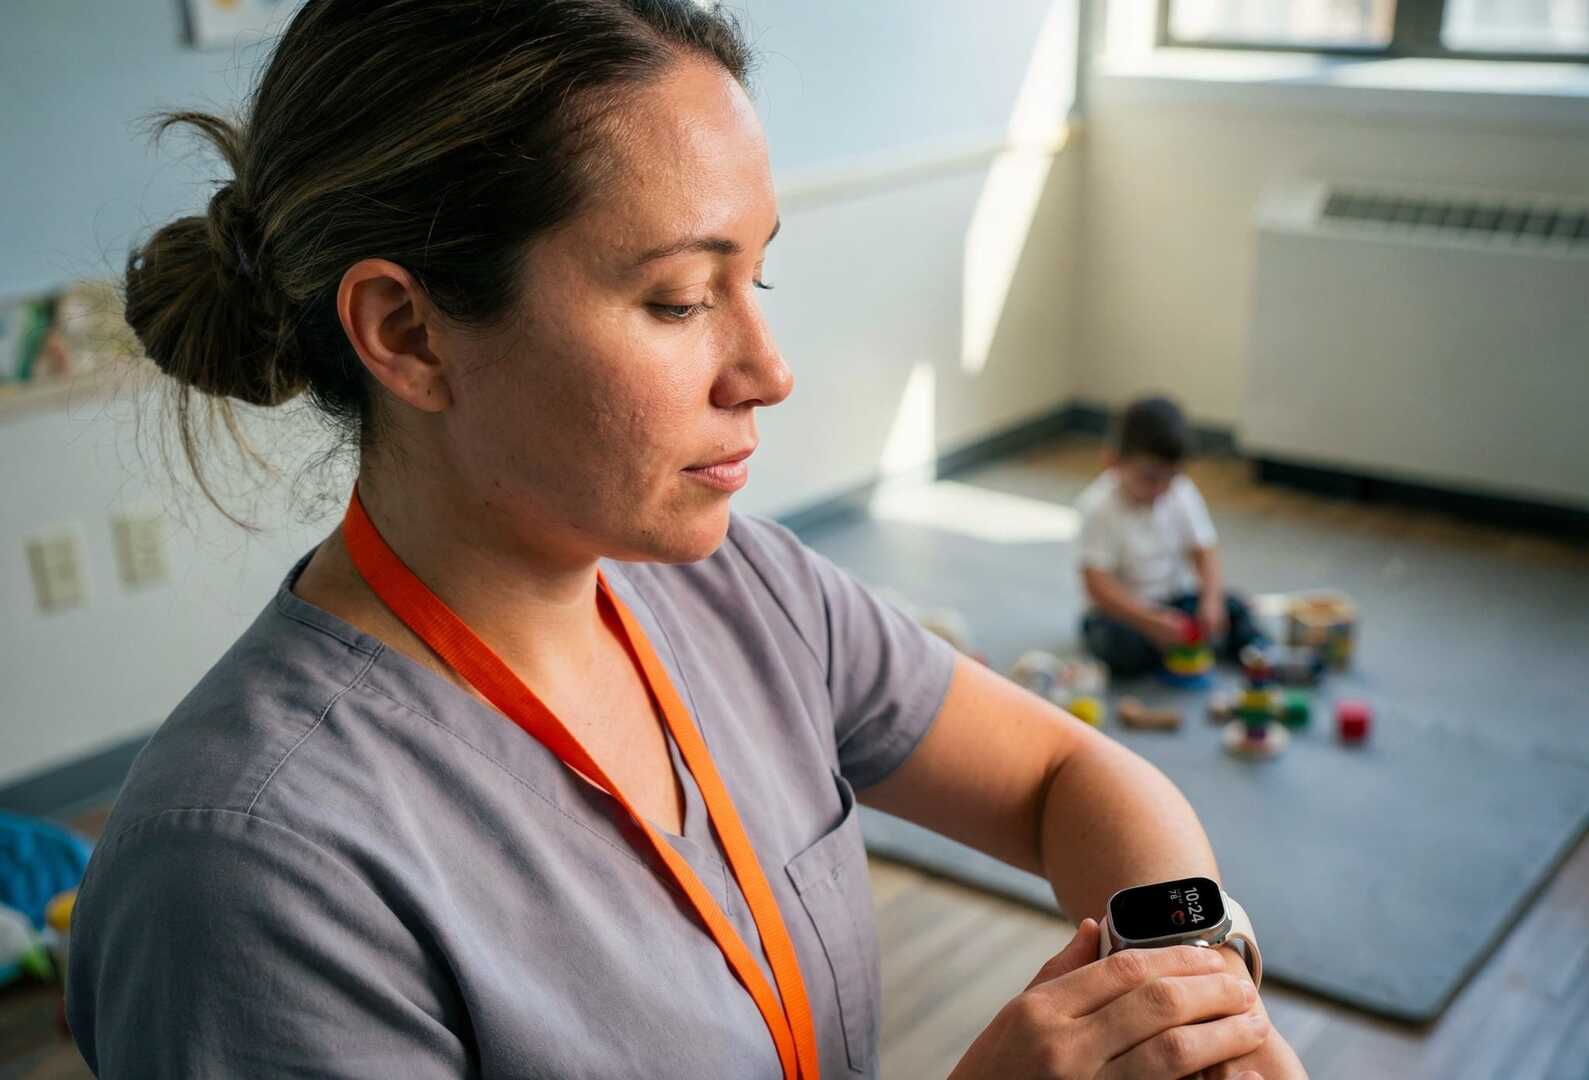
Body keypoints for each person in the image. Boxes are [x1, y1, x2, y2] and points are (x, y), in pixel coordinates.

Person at [67, 3, 1303, 1077]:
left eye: (753, 279)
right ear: (408, 334)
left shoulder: (746, 595)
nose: (767, 371)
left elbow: (1065, 778)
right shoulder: (248, 880)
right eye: (676, 299)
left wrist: (1183, 986)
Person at [1076, 396, 1266, 678]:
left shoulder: (1180, 491)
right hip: (1123, 613)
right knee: (1119, 646)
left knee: (1234, 608)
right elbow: (1097, 585)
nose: (1161, 488)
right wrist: (1149, 622)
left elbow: (1205, 550)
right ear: (1113, 462)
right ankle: (1173, 649)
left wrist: (1210, 601)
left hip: (1173, 601)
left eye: (1171, 476)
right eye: (1150, 477)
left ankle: (1253, 653)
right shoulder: (1099, 507)